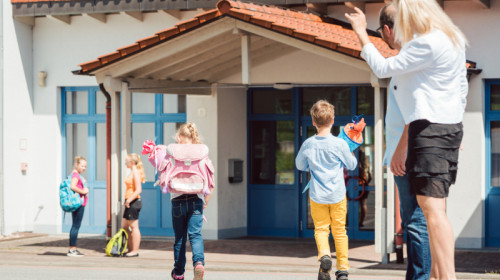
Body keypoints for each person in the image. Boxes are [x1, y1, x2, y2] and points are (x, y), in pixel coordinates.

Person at [346, 1, 468, 279]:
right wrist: (455, 125)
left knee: (431, 213)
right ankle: (440, 275)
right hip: (446, 128)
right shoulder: (451, 39)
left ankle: (446, 277)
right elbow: (461, 87)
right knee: (437, 211)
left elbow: (382, 67)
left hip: (428, 131)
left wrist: (361, 33)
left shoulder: (425, 43)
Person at [376, 4, 432, 280]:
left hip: (409, 155)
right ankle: (419, 276)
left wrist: (399, 151)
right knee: (422, 219)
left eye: (381, 32)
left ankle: (420, 277)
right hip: (416, 152)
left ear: (388, 30)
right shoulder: (418, 57)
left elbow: (415, 111)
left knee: (416, 221)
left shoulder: (406, 62)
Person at [296, 100, 357, 280]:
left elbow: (300, 165)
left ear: (313, 122)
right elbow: (352, 165)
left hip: (317, 194)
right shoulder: (339, 144)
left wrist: (311, 167)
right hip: (337, 194)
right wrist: (351, 149)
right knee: (339, 231)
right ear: (332, 120)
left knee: (321, 229)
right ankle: (343, 270)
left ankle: (324, 257)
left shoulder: (308, 144)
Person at [171, 123, 214, 280]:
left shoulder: (173, 152)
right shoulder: (201, 153)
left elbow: (163, 173)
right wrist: (206, 202)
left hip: (177, 200)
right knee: (195, 235)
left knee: (180, 238)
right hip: (196, 199)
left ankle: (179, 273)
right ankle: (198, 264)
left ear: (179, 137)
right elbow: (211, 181)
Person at [121, 153, 145, 257]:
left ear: (132, 162)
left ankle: (135, 251)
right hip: (129, 201)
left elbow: (138, 190)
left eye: (126, 161)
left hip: (133, 202)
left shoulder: (136, 172)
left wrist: (128, 200)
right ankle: (130, 249)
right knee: (125, 226)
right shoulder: (131, 172)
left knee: (134, 227)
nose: (125, 163)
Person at [67, 156, 89, 257]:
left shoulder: (75, 174)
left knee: (75, 225)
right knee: (76, 226)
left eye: (85, 166)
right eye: (82, 166)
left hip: (78, 203)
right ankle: (72, 249)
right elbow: (73, 186)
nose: (84, 168)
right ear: (76, 165)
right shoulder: (75, 175)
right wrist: (83, 191)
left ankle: (73, 248)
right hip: (79, 203)